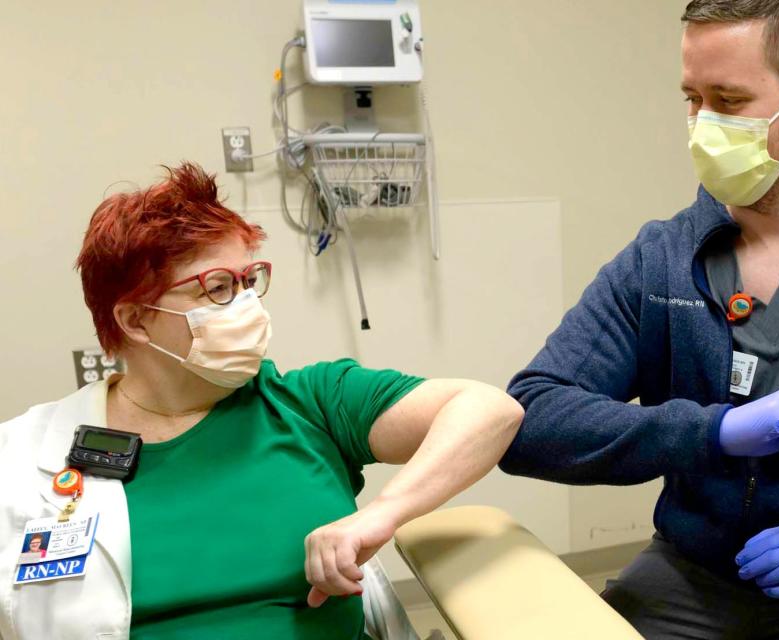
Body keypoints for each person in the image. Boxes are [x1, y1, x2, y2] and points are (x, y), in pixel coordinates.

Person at [500, 1, 779, 638]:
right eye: (692, 98)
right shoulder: (660, 261)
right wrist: (711, 432)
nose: (702, 125)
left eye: (729, 99)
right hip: (692, 576)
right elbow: (531, 420)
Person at [0, 163, 523, 639]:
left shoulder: (307, 401)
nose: (247, 304)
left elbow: (489, 411)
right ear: (136, 321)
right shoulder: (24, 454)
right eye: (219, 287)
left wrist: (380, 515)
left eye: (251, 280)